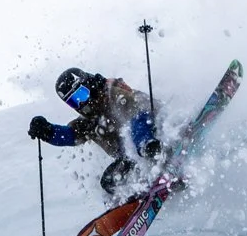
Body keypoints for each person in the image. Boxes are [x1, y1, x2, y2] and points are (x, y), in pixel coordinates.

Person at [29, 67, 160, 198]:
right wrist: (48, 131)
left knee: (137, 124)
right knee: (108, 181)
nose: (81, 103)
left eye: (81, 94)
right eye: (74, 102)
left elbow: (139, 111)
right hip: (130, 157)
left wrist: (144, 142)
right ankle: (130, 202)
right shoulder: (88, 123)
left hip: (154, 132)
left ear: (89, 85)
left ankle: (152, 150)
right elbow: (69, 135)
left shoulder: (113, 94)